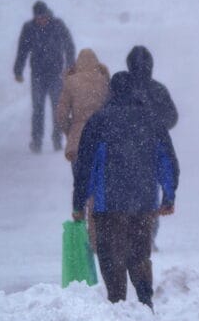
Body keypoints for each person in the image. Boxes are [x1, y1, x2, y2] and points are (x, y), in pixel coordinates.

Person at [73, 72, 179, 308]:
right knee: (140, 253)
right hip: (143, 201)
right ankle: (144, 299)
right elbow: (166, 160)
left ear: (112, 92)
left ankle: (117, 302)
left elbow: (86, 165)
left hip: (108, 203)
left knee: (111, 255)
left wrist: (79, 202)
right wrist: (168, 196)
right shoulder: (151, 120)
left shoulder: (99, 121)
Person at [56, 48, 110, 250]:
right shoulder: (104, 80)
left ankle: (82, 234)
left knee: (81, 185)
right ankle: (97, 236)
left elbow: (61, 115)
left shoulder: (70, 82)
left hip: (78, 141)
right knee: (98, 189)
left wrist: (71, 131)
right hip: (101, 139)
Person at [127, 44, 179, 251]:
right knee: (149, 194)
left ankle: (133, 234)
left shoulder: (122, 89)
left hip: (126, 149)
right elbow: (172, 117)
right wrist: (158, 126)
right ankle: (148, 234)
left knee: (128, 193)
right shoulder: (158, 89)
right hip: (151, 149)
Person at [13, 0, 76, 153]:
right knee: (38, 108)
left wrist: (70, 66)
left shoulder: (58, 25)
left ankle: (57, 139)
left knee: (57, 108)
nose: (41, 20)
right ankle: (37, 141)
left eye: (43, 16)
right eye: (38, 17)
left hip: (56, 74)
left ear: (48, 14)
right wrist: (18, 70)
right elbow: (22, 50)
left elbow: (69, 45)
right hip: (37, 75)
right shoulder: (29, 28)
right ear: (34, 17)